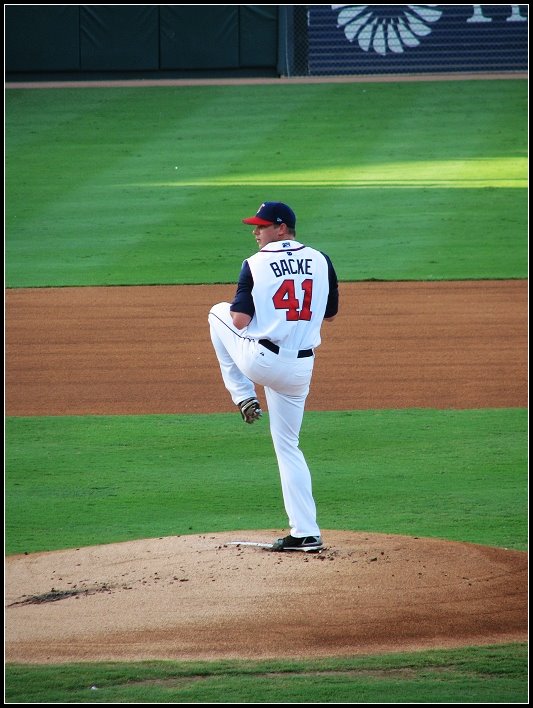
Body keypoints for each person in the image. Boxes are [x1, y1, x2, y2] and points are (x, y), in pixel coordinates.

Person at [208, 201, 339, 552]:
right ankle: (306, 532)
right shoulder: (321, 260)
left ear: (281, 228)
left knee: (216, 313)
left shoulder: (254, 264)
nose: (255, 231)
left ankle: (242, 395)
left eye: (262, 226)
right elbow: (329, 314)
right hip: (301, 370)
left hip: (262, 361)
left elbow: (238, 322)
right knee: (288, 446)